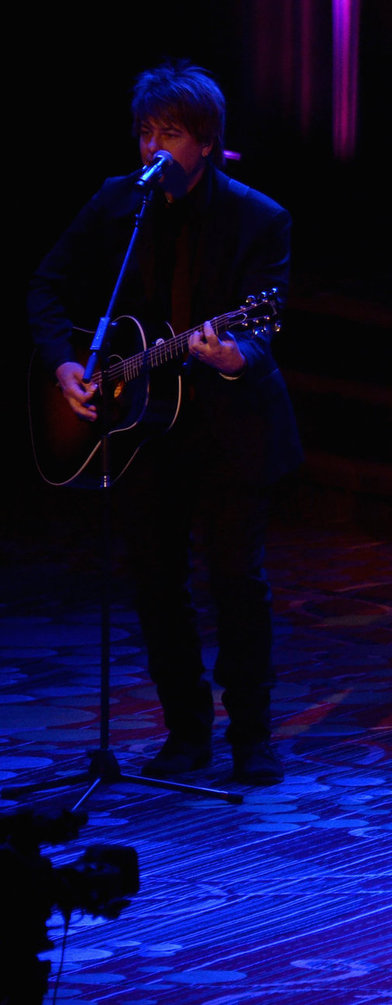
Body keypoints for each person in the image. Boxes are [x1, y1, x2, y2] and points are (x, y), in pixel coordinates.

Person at [27, 62, 301, 785]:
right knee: (156, 581)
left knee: (238, 580)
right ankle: (185, 732)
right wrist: (64, 363)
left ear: (206, 142)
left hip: (234, 425)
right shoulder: (118, 204)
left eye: (170, 134)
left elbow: (262, 330)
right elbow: (46, 287)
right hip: (145, 428)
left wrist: (234, 352)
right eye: (145, 133)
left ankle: (252, 737)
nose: (153, 148)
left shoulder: (259, 218)